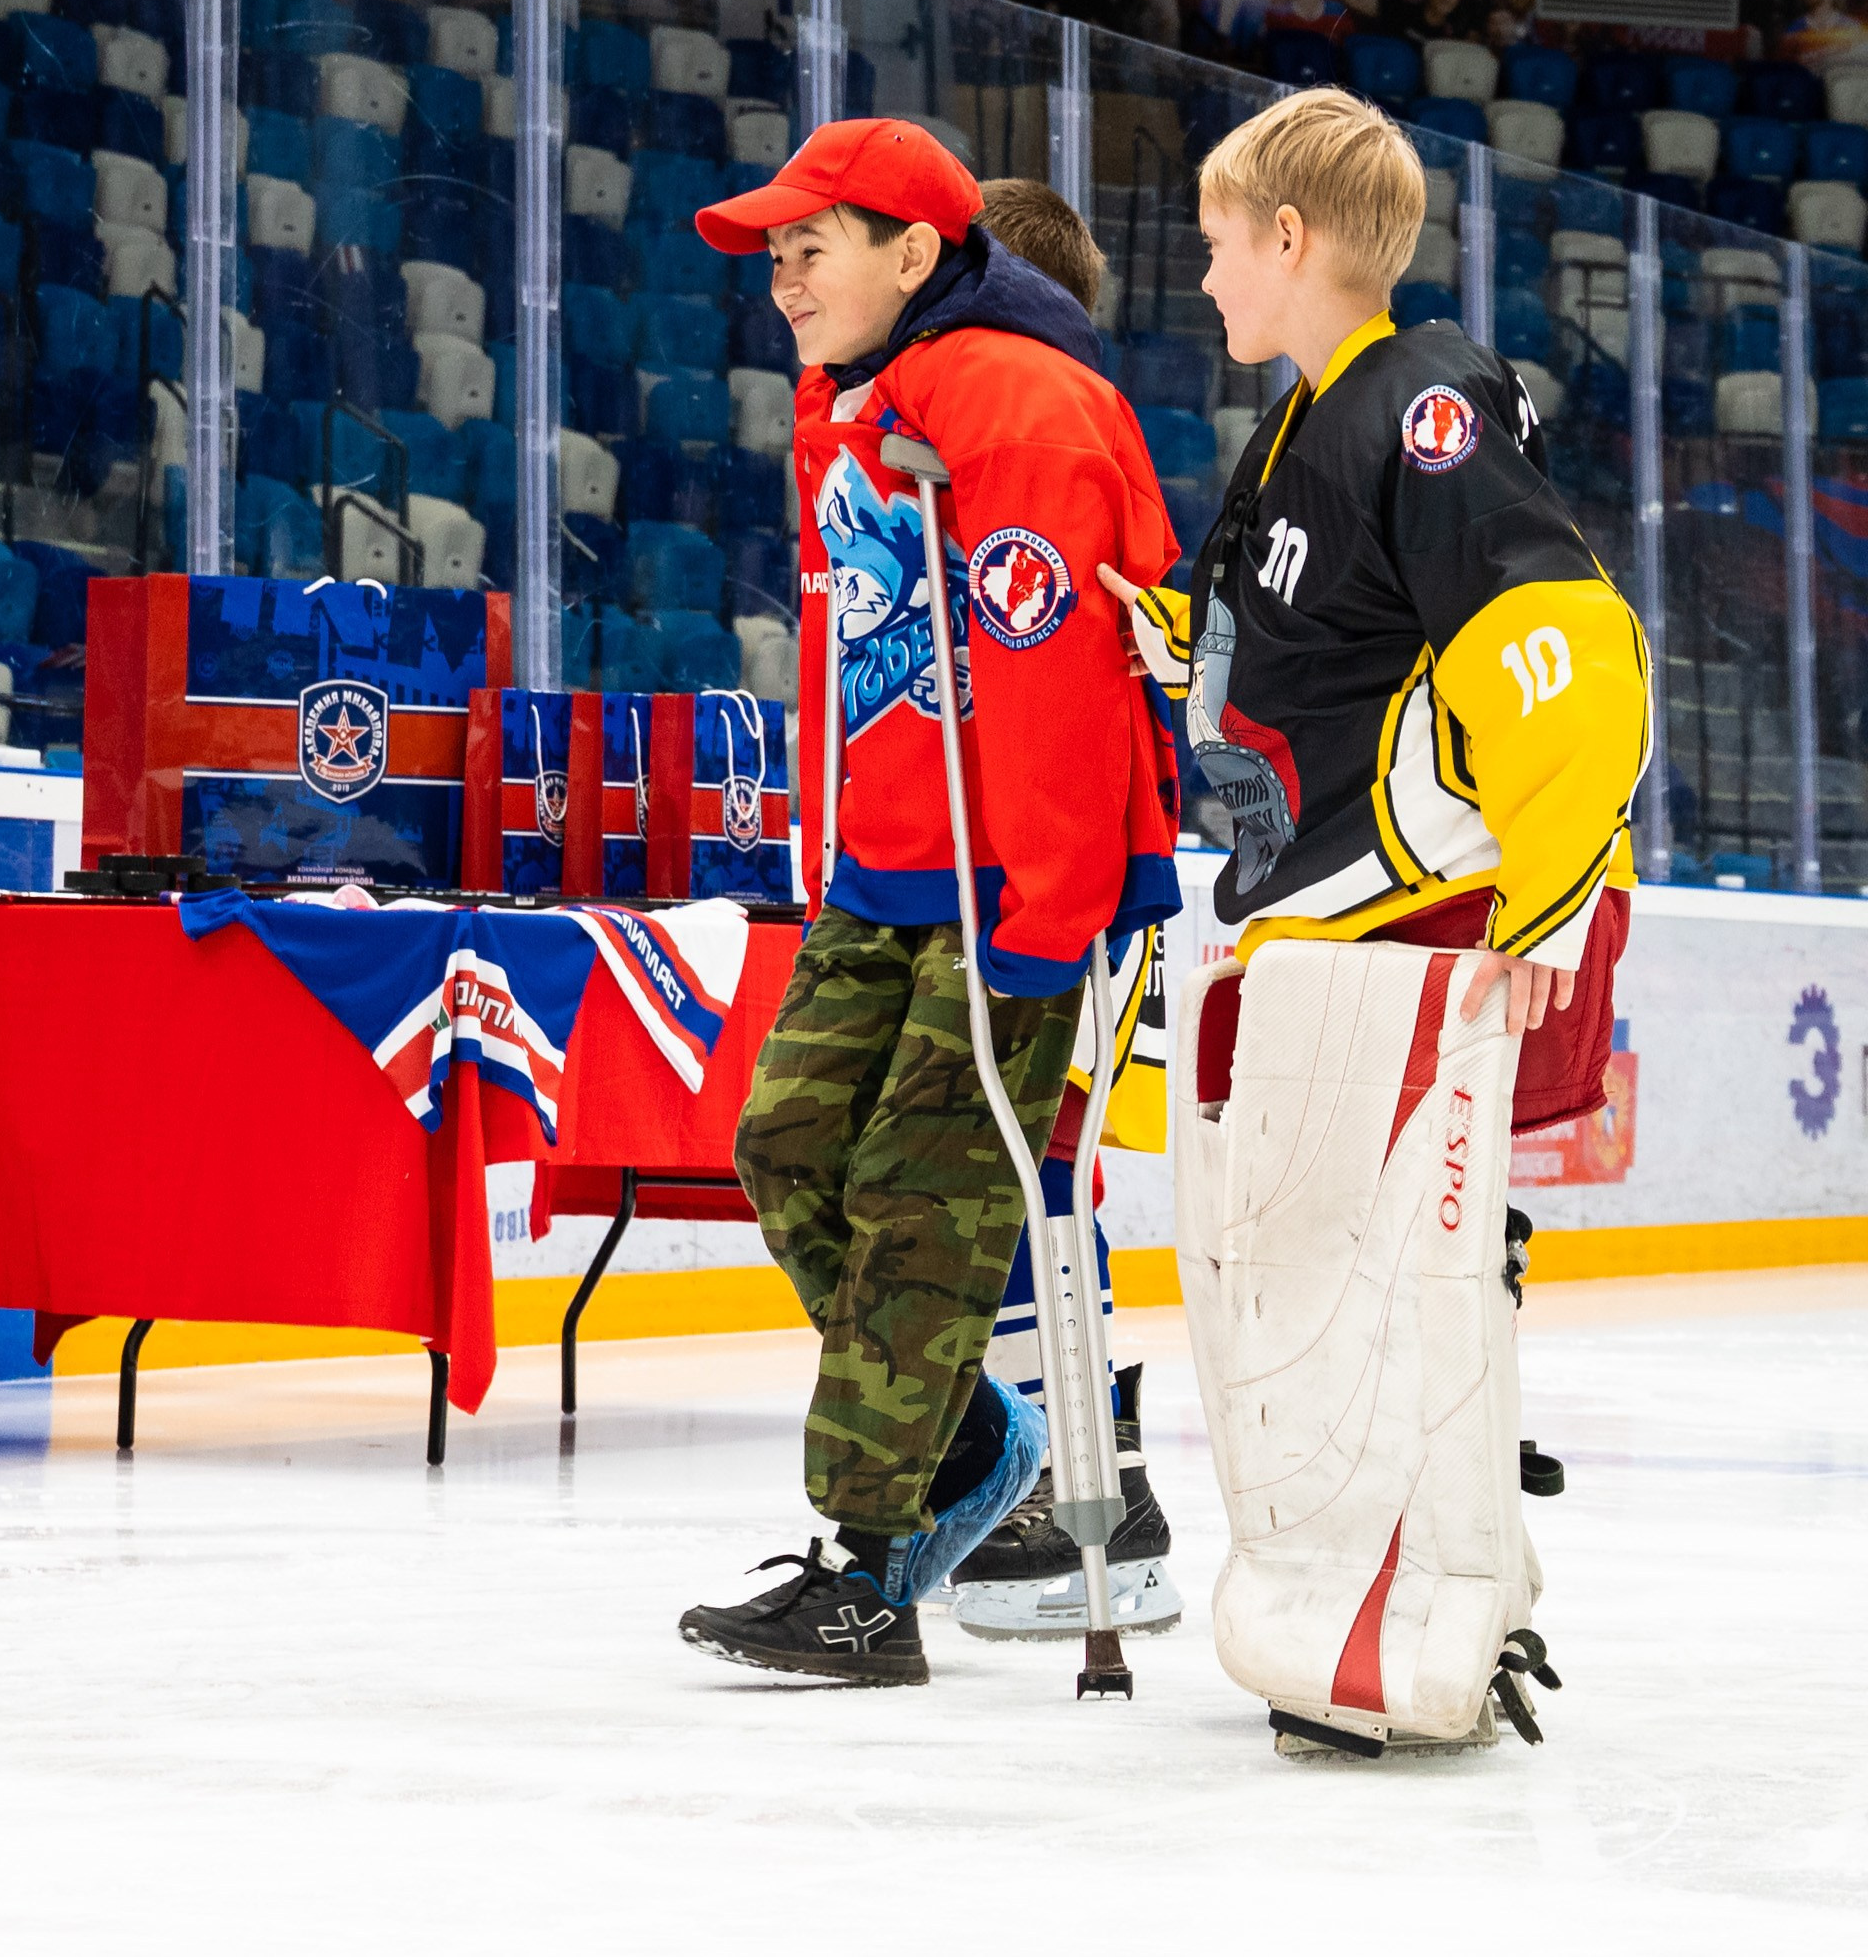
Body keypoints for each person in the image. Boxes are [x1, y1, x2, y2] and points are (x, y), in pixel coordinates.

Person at [678, 120, 1184, 1685]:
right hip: (888, 868)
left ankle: (866, 1575)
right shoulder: (854, 404)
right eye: (772, 255)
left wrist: (1047, 918)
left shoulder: (1019, 408)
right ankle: (969, 1444)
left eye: (808, 250)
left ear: (916, 252)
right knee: (786, 1149)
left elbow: (1058, 686)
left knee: (920, 1199)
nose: (780, 284)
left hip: (1016, 881)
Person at [1102, 83, 1647, 1221]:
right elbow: (1317, 642)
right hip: (1346, 919)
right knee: (1315, 1265)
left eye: (1216, 245)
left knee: (1375, 1270)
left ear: (1287, 236)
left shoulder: (1415, 409)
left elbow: (1563, 638)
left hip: (1437, 905)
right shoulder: (1301, 423)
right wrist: (1159, 634)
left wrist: (1550, 891)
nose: (1203, 278)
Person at [945, 176, 1182, 1641]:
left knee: (1033, 1161)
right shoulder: (1049, 431)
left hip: (1063, 871)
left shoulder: (1040, 442)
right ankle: (1094, 1465)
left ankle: (1064, 1488)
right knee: (1039, 1166)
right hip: (1078, 866)